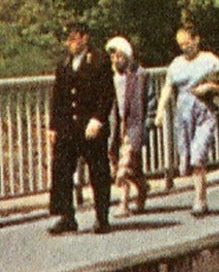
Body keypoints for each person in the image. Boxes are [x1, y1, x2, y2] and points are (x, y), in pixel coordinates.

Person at [47, 22, 116, 235]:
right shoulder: (64, 63)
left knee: (98, 170)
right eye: (67, 39)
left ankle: (102, 217)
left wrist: (98, 119)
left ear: (85, 38)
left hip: (90, 125)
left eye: (73, 38)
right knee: (62, 169)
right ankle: (67, 216)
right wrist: (53, 126)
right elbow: (58, 97)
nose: (70, 43)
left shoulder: (99, 60)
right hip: (68, 127)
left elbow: (107, 94)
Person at [157, 24, 219, 216]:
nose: (185, 48)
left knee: (198, 155)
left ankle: (199, 200)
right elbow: (168, 87)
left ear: (196, 40)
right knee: (187, 158)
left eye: (187, 43)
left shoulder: (210, 60)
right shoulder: (176, 64)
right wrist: (161, 111)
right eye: (181, 45)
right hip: (184, 115)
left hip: (204, 112)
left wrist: (209, 87)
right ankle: (199, 194)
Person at [105, 35, 151, 217]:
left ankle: (123, 203)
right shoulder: (108, 77)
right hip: (116, 126)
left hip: (133, 125)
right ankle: (142, 187)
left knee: (124, 168)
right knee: (127, 166)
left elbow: (150, 101)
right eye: (113, 56)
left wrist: (148, 123)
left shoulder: (140, 75)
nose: (116, 60)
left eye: (120, 56)